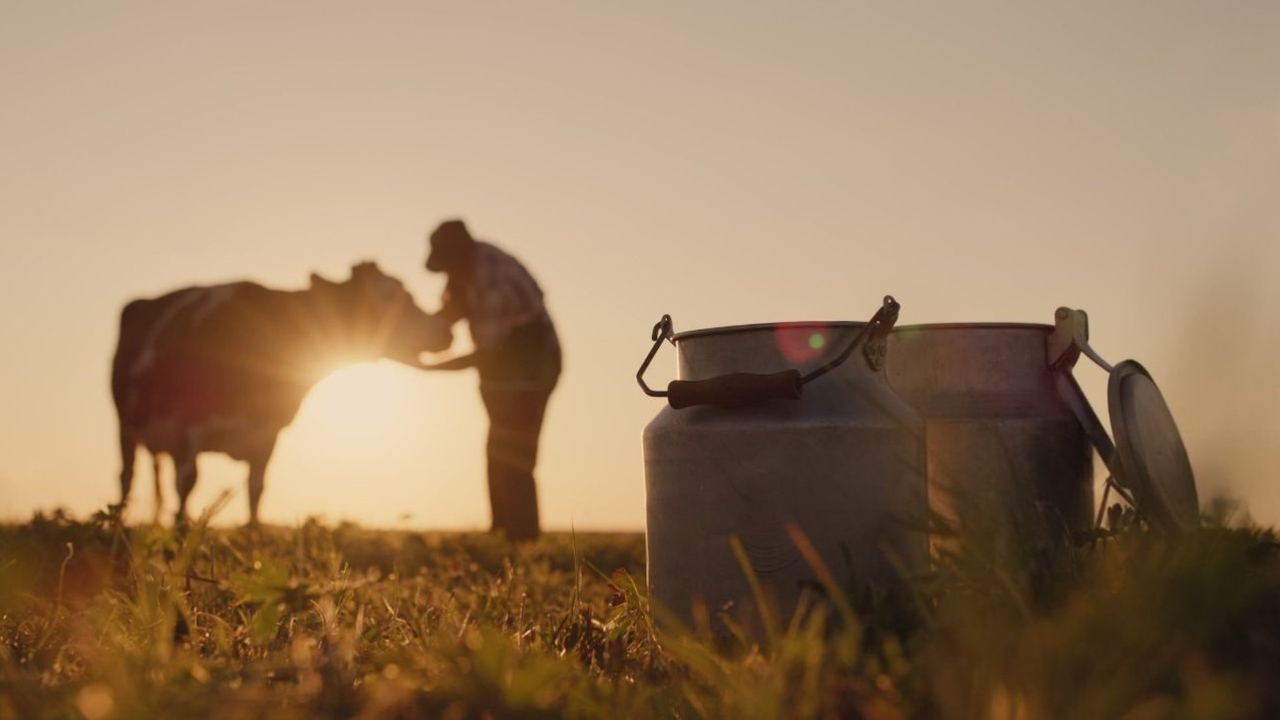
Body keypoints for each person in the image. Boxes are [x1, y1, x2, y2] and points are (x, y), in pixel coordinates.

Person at [419, 219, 561, 542]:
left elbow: (488, 354)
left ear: (460, 256)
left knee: (514, 454)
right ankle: (502, 535)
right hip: (502, 374)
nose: (445, 276)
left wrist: (430, 367)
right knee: (498, 451)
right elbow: (446, 317)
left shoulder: (495, 280)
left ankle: (521, 539)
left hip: (530, 372)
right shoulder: (464, 276)